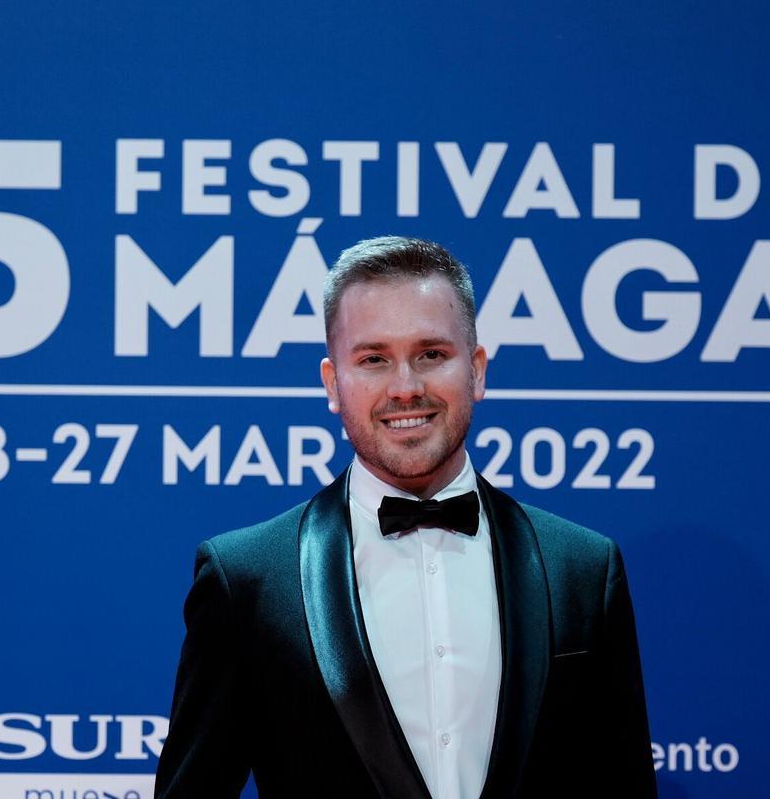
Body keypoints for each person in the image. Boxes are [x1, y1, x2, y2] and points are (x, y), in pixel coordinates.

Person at [154, 237, 657, 798]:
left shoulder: (583, 570)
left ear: (477, 370)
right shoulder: (248, 580)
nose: (405, 388)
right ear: (332, 384)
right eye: (373, 360)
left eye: (431, 355)